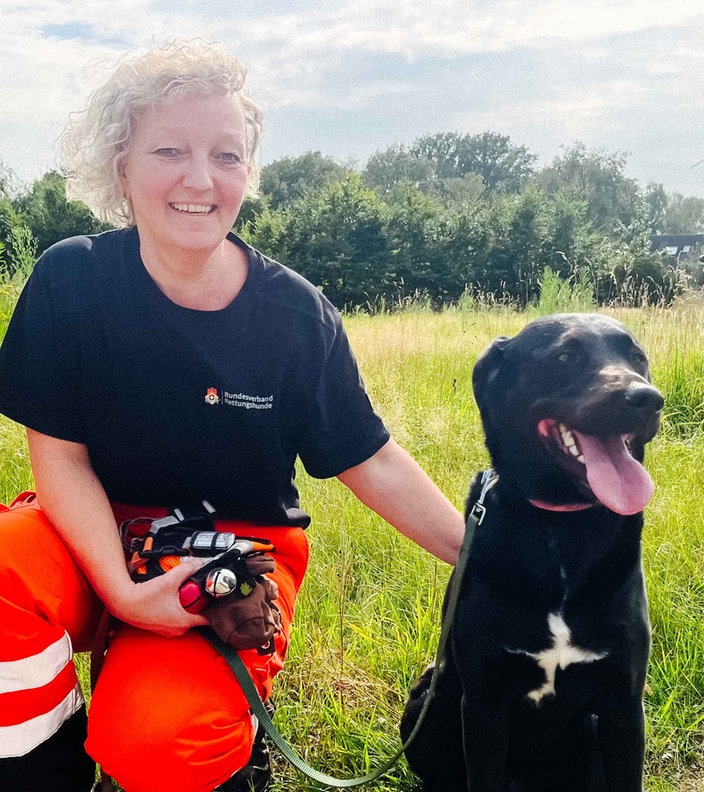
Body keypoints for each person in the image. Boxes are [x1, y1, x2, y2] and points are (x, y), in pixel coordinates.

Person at [0, 38, 465, 792]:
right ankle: (42, 765)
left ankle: (208, 727)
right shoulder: (71, 280)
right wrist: (121, 592)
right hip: (92, 530)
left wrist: (493, 559)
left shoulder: (294, 314)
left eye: (226, 154)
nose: (199, 179)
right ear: (121, 166)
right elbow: (60, 457)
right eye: (169, 150)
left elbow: (368, 457)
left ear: (248, 170)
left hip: (228, 558)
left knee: (160, 745)